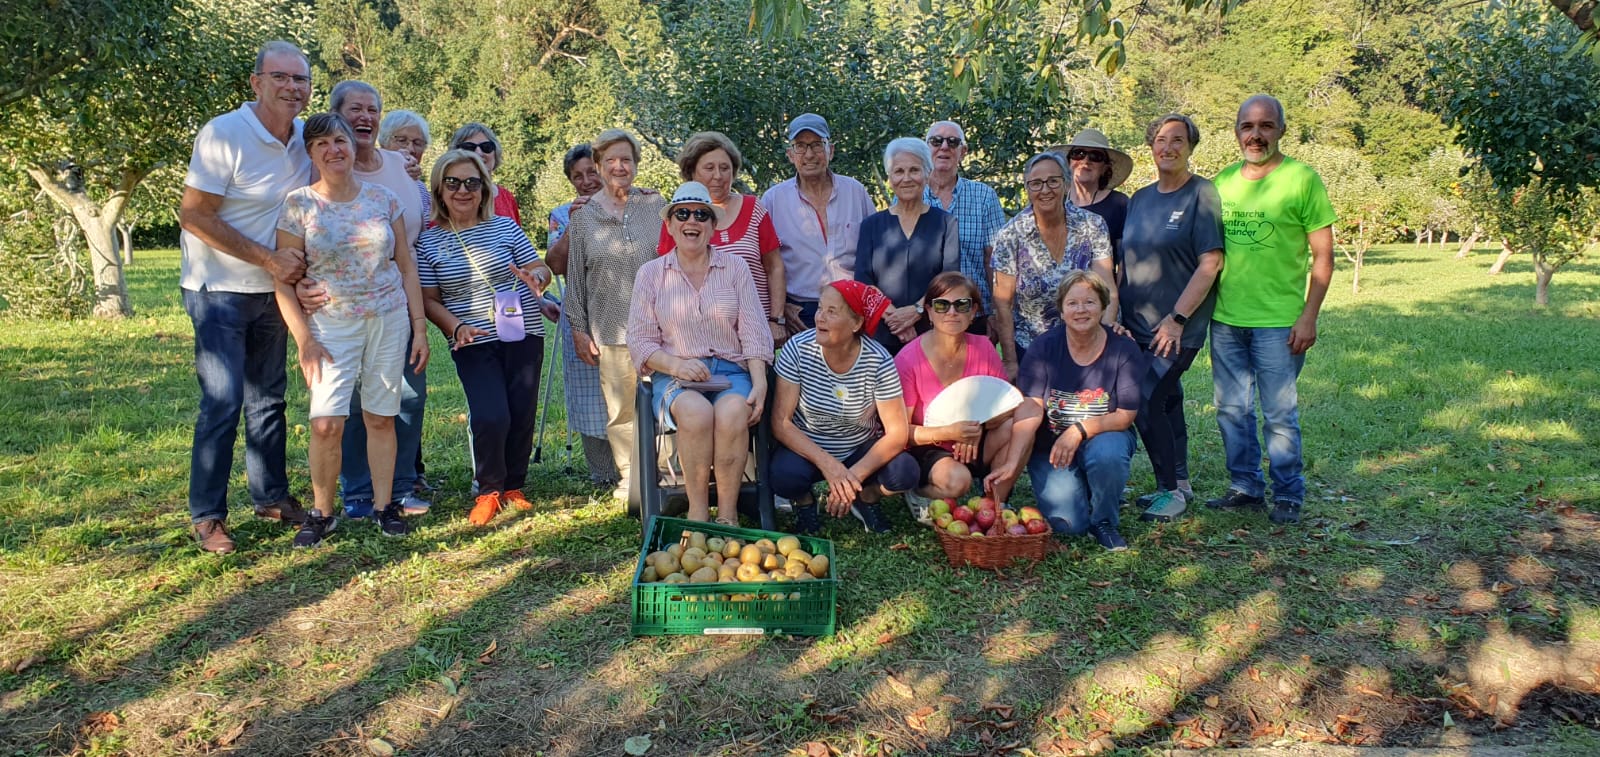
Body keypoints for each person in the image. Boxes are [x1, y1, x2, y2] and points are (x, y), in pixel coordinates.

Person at [177, 41, 314, 554]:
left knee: (268, 400)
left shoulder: (304, 137)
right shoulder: (224, 134)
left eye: (300, 80)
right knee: (223, 401)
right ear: (256, 83)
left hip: (273, 294)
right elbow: (195, 215)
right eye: (280, 77)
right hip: (219, 291)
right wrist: (268, 259)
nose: (291, 88)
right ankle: (207, 515)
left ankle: (271, 496)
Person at [274, 113, 430, 547]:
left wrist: (419, 327)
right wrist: (304, 339)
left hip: (388, 318)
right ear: (311, 153)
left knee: (381, 416)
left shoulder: (383, 199)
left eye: (339, 140)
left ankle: (385, 506)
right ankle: (322, 512)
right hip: (330, 327)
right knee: (326, 424)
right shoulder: (299, 204)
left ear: (352, 144)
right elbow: (282, 279)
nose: (334, 150)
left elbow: (406, 264)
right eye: (321, 144)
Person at [1207, 95, 1336, 526]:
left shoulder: (1302, 180)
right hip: (1226, 319)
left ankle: (1287, 493)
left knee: (1279, 413)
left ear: (1281, 129)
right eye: (1248, 126)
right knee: (1231, 409)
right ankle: (1244, 486)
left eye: (1266, 125)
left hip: (1280, 322)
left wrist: (1309, 314)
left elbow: (1323, 256)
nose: (1256, 134)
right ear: (1236, 131)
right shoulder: (1221, 183)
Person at [416, 150, 551, 526]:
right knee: (491, 414)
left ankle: (513, 486)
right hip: (471, 338)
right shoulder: (427, 243)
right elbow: (429, 300)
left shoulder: (506, 227)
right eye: (453, 183)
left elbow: (538, 266)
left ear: (483, 188)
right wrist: (455, 327)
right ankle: (489, 488)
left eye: (472, 183)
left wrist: (537, 279)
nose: (463, 190)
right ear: (440, 190)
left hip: (521, 331)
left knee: (521, 412)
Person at [628, 182, 774, 524]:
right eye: (683, 214)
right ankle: (697, 514)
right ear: (670, 224)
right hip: (675, 374)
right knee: (695, 415)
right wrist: (678, 365)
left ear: (712, 225)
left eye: (701, 214)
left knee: (733, 414)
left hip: (732, 373)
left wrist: (760, 383)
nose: (691, 221)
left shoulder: (736, 268)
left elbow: (754, 332)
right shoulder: (651, 274)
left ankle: (727, 515)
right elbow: (641, 342)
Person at [1120, 113, 1225, 523]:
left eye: (1178, 140)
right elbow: (1126, 262)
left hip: (1177, 327)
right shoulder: (1140, 199)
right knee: (1169, 400)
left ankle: (1169, 491)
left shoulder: (1202, 194)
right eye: (1161, 139)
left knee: (1145, 398)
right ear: (1151, 146)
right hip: (1135, 326)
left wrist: (1177, 318)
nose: (1168, 147)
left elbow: (1210, 262)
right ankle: (1180, 483)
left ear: (1191, 147)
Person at [565, 129, 667, 503]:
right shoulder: (583, 217)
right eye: (610, 160)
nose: (619, 166)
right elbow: (575, 278)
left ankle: (668, 476)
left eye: (626, 159)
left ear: (636, 165)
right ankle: (632, 479)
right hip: (610, 329)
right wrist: (579, 328)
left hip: (661, 330)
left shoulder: (658, 206)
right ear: (598, 166)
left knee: (666, 406)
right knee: (622, 412)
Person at [771, 280, 918, 535]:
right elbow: (781, 423)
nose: (820, 317)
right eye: (819, 308)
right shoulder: (797, 349)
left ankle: (866, 497)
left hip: (857, 447)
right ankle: (804, 503)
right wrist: (831, 467)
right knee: (784, 475)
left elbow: (897, 433)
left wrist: (852, 477)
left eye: (832, 311)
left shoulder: (878, 360)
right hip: (810, 448)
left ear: (856, 323)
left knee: (905, 471)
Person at [895, 273, 1040, 520]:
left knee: (1027, 415)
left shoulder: (983, 348)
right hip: (930, 445)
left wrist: (977, 427)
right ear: (929, 312)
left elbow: (1008, 402)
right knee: (957, 481)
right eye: (942, 305)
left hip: (976, 442)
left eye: (961, 305)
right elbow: (899, 432)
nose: (952, 312)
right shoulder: (908, 360)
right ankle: (920, 490)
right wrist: (951, 432)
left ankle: (993, 503)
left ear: (973, 312)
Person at [1018, 270, 1143, 552]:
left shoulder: (1123, 349)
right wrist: (1011, 464)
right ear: (1061, 310)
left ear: (1103, 306)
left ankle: (1104, 521)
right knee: (1068, 525)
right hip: (1051, 446)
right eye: (1072, 303)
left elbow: (1125, 415)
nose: (1081, 310)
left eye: (1089, 302)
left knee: (1107, 454)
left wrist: (1078, 430)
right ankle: (1087, 490)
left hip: (1104, 436)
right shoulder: (1043, 348)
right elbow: (1030, 408)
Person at [992, 152, 1118, 381]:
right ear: (1027, 189)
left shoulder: (1092, 225)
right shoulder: (1011, 235)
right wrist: (1010, 361)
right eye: (1036, 183)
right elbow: (1002, 303)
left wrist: (1106, 338)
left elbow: (1107, 288)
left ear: (1066, 183)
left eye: (1053, 181)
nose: (1045, 189)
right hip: (1033, 347)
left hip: (1088, 341)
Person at [657, 131, 788, 347]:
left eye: (725, 168)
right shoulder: (678, 216)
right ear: (691, 171)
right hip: (698, 340)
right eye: (709, 168)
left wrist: (776, 319)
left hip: (756, 331)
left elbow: (774, 267)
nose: (718, 175)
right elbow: (667, 277)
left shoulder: (753, 208)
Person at [543, 144, 616, 487]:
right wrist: (575, 224)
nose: (587, 181)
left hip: (626, 310)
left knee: (631, 391)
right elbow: (555, 264)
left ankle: (640, 468)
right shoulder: (561, 214)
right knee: (589, 393)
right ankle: (602, 473)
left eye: (592, 172)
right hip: (582, 313)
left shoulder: (631, 206)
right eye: (578, 176)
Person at [761, 113, 876, 329]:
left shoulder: (856, 192)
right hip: (801, 313)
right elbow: (763, 264)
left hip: (852, 308)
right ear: (790, 154)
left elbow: (877, 251)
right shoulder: (773, 200)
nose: (809, 154)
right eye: (800, 146)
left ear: (830, 150)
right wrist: (781, 308)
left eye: (816, 145)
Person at [854, 137, 959, 354]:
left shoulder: (946, 223)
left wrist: (916, 312)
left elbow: (949, 278)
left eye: (914, 170)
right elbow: (863, 281)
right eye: (899, 171)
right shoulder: (871, 225)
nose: (907, 178)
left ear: (928, 174)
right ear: (889, 178)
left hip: (932, 332)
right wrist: (895, 318)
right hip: (880, 336)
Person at [923, 120, 1008, 335]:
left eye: (952, 142)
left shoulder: (984, 196)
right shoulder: (910, 195)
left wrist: (994, 313)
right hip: (924, 317)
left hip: (973, 315)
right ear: (926, 148)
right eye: (936, 141)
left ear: (963, 151)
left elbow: (995, 260)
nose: (944, 147)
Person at [1057, 128, 1133, 281]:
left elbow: (1125, 263)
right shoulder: (1055, 201)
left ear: (1106, 167)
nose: (1085, 161)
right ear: (1069, 161)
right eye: (1078, 153)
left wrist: (1116, 300)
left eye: (1095, 156)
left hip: (1101, 296)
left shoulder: (1119, 204)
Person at [449, 122, 522, 225]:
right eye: (469, 147)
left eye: (486, 147)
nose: (479, 153)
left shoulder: (507, 198)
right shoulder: (448, 198)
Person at [378, 109, 430, 182]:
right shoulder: (371, 182)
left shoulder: (421, 190)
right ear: (383, 144)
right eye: (402, 140)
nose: (411, 149)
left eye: (417, 143)